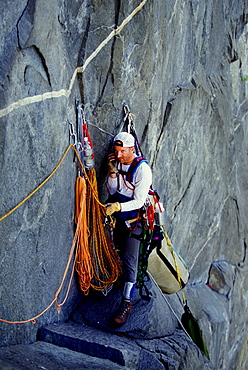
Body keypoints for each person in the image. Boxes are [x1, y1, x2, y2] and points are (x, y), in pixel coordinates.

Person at [105, 132, 152, 325]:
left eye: (122, 151)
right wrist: (113, 172)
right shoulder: (118, 162)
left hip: (135, 219)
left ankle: (126, 303)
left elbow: (140, 201)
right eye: (116, 151)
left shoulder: (142, 170)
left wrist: (118, 207)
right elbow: (112, 191)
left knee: (130, 259)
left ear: (132, 149)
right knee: (113, 250)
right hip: (119, 215)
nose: (119, 155)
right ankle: (113, 281)